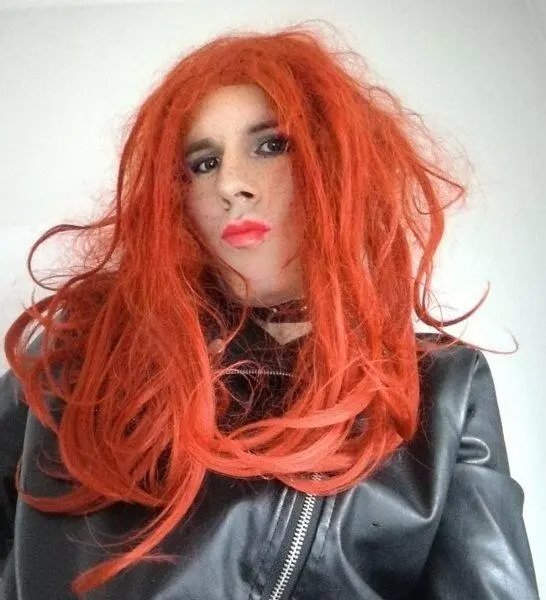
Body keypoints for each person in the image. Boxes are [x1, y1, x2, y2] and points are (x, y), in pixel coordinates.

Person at [0, 21, 540, 600]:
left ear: (334, 163)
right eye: (203, 163)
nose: (232, 184)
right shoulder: (79, 354)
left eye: (271, 146)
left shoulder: (439, 391)